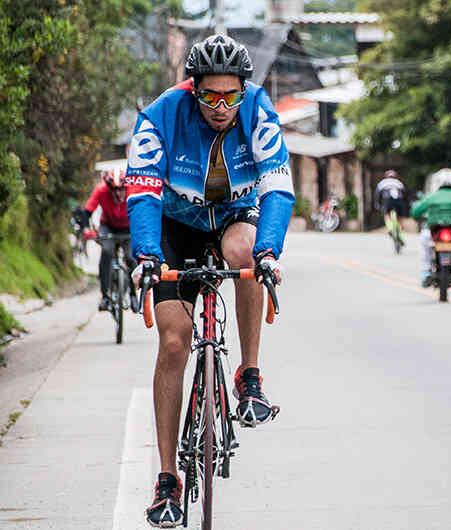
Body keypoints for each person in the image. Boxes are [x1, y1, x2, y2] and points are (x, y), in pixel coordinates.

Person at [126, 34, 295, 528]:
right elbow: (141, 192)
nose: (221, 107)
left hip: (231, 218)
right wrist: (150, 257)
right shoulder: (161, 115)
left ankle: (250, 376)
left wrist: (269, 252)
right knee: (175, 343)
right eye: (210, 96)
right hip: (172, 228)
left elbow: (279, 188)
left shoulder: (259, 111)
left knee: (246, 254)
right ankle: (165, 481)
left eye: (231, 96)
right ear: (192, 88)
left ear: (243, 91)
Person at [74, 169, 135, 311]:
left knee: (131, 257)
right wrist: (85, 229)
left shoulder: (132, 191)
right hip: (108, 226)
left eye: (121, 189)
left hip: (128, 227)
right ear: (109, 188)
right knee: (106, 252)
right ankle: (105, 297)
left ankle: (133, 294)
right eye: (114, 190)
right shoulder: (101, 190)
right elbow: (87, 211)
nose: (118, 193)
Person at [411, 174, 451, 287]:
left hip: (433, 232)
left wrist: (418, 219)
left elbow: (416, 211)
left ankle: (426, 273)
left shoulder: (432, 197)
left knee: (424, 246)